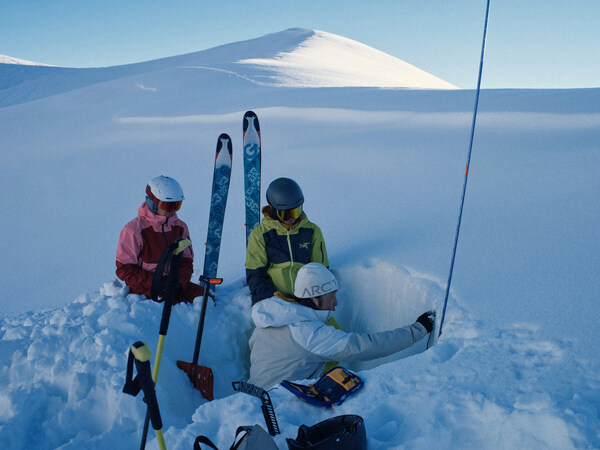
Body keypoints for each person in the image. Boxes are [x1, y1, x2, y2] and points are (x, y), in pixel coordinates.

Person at [248, 263, 435, 389]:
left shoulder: (271, 316)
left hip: (253, 396)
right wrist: (417, 330)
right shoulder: (309, 334)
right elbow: (367, 346)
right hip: (276, 405)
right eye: (331, 297)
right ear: (315, 297)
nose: (335, 304)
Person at [116, 175, 205, 303]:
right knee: (170, 308)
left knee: (205, 299)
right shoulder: (134, 230)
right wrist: (158, 283)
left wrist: (179, 283)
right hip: (144, 287)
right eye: (169, 206)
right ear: (153, 203)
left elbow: (186, 261)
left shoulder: (180, 227)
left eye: (177, 205)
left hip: (173, 283)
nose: (173, 211)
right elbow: (124, 269)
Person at [245, 177, 328, 305]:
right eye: (285, 214)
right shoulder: (260, 235)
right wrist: (273, 298)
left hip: (306, 302)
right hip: (273, 302)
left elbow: (321, 272)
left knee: (331, 326)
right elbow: (255, 276)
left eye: (295, 212)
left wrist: (313, 300)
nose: (291, 219)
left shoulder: (312, 231)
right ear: (273, 209)